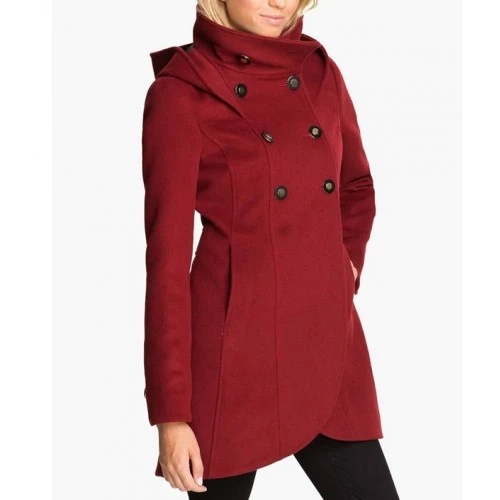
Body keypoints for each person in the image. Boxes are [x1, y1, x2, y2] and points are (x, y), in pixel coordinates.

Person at [141, 1, 400, 498]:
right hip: (233, 359)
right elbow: (166, 264)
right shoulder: (181, 93)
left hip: (326, 343)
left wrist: (344, 265)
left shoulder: (319, 72)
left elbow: (356, 186)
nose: (279, 2)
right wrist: (171, 416)